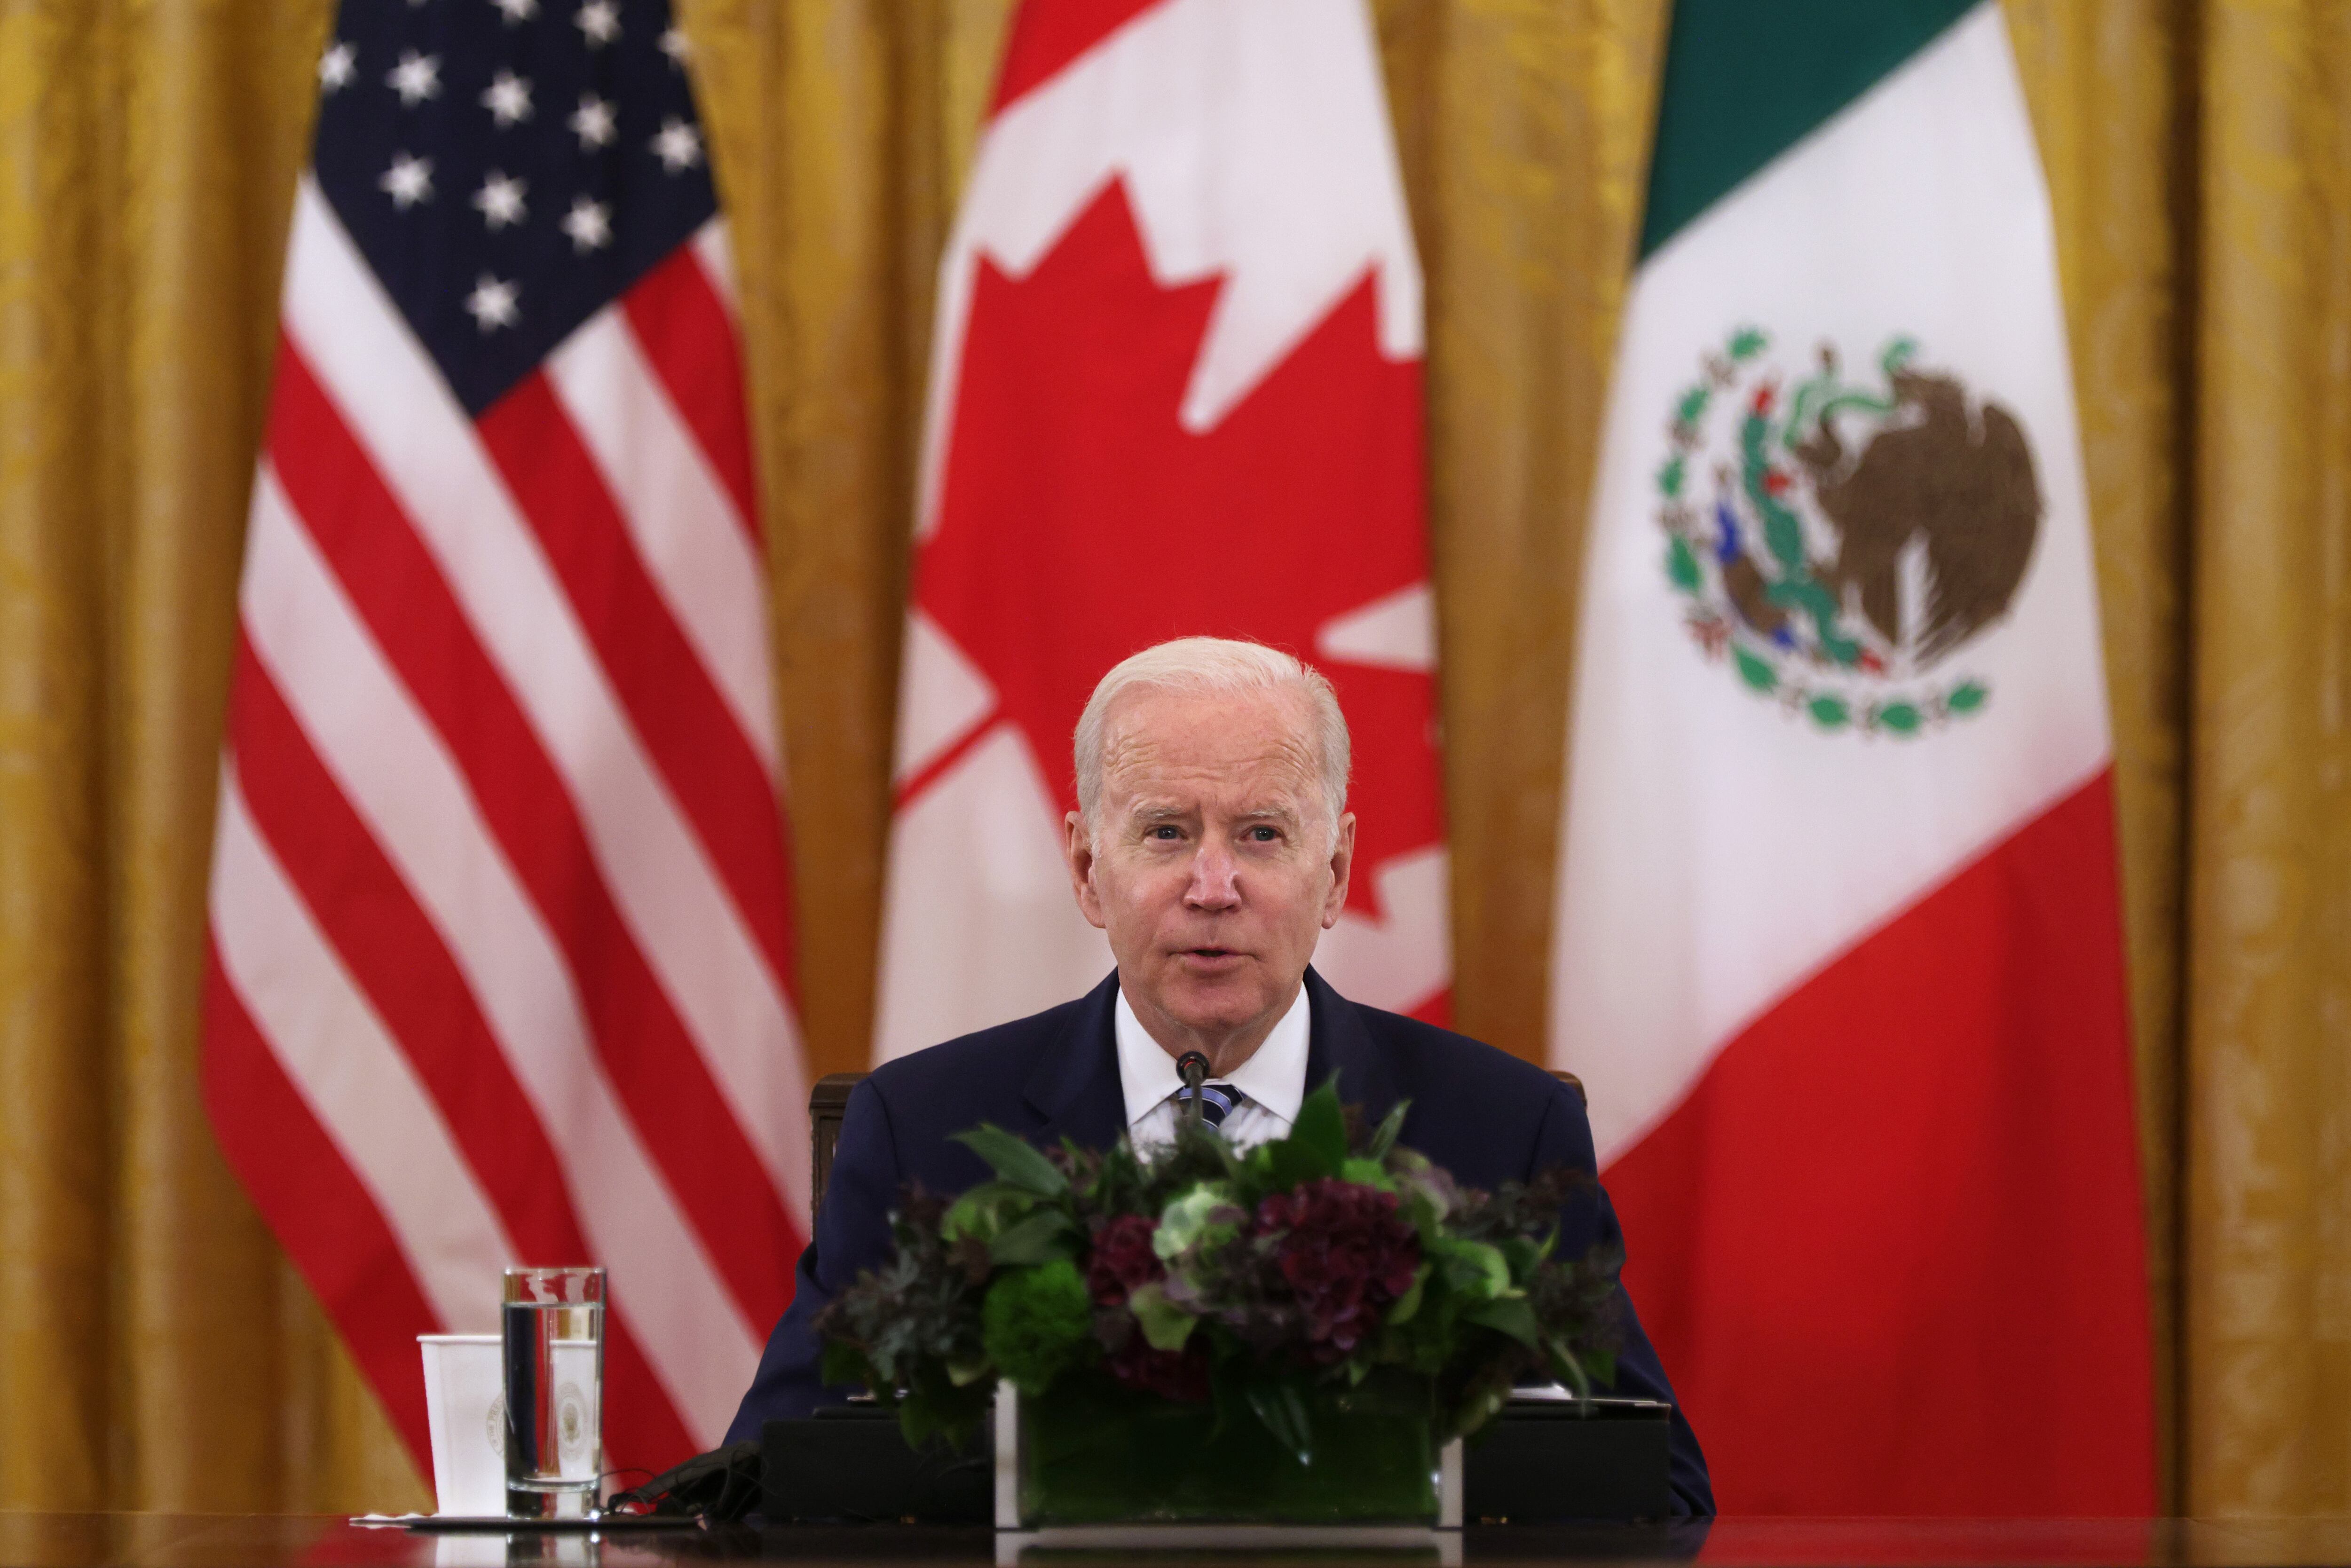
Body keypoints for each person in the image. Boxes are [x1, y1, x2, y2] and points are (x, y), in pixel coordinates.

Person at [727, 638, 1713, 1515]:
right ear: (1083, 869)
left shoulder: (1501, 1130)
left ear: (1333, 874)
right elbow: (776, 1477)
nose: (1212, 887)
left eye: (1260, 834)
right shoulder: (923, 1128)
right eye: (1164, 832)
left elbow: (1653, 1492)